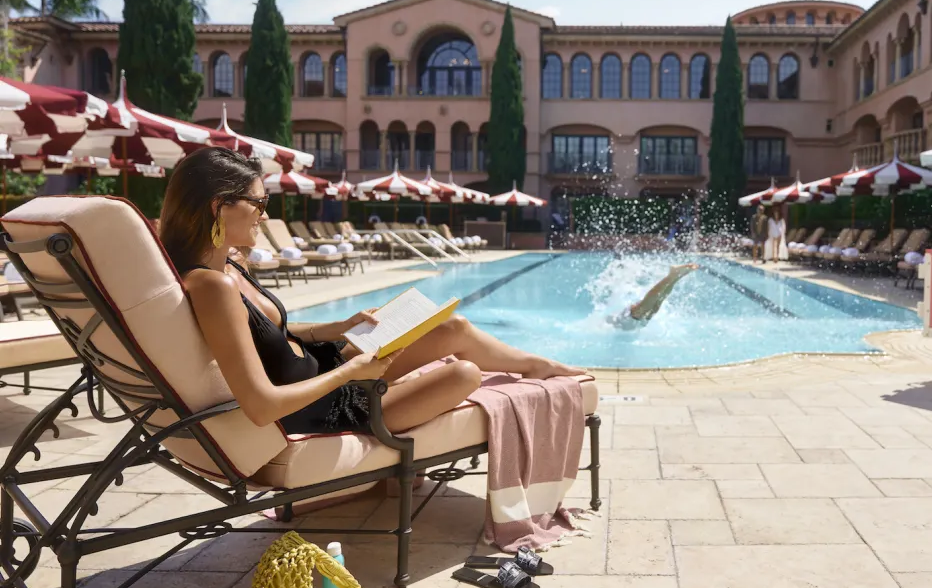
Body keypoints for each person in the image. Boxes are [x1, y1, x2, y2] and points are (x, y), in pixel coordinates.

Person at [159, 147, 585, 439]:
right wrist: (350, 374)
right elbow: (261, 406)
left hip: (325, 370)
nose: (265, 214)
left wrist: (340, 325)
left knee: (452, 326)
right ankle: (536, 368)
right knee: (463, 374)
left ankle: (537, 364)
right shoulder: (210, 285)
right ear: (219, 206)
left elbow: (270, 333)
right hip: (325, 405)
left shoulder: (229, 266)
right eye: (259, 202)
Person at [608, 263, 699, 330]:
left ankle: (672, 275)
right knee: (656, 306)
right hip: (631, 323)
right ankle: (676, 276)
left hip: (624, 320)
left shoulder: (605, 324)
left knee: (643, 309)